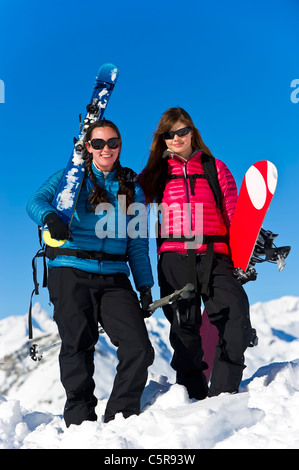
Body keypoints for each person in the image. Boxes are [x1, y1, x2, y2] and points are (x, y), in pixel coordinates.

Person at [27, 119, 154, 427]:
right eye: (98, 143)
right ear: (87, 147)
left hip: (115, 276)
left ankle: (120, 419)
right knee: (78, 347)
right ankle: (80, 422)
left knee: (139, 347)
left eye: (113, 143)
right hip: (70, 271)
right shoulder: (71, 177)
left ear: (120, 146)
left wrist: (145, 285)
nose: (106, 149)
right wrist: (50, 218)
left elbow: (137, 243)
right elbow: (35, 202)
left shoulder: (132, 186)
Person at [140, 107, 254, 400]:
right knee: (184, 333)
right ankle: (193, 400)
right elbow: (125, 200)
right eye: (169, 134)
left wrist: (244, 250)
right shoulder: (155, 174)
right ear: (162, 139)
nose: (177, 138)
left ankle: (223, 397)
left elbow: (233, 212)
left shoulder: (216, 168)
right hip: (174, 257)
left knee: (236, 321)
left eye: (182, 131)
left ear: (192, 132)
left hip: (216, 255)